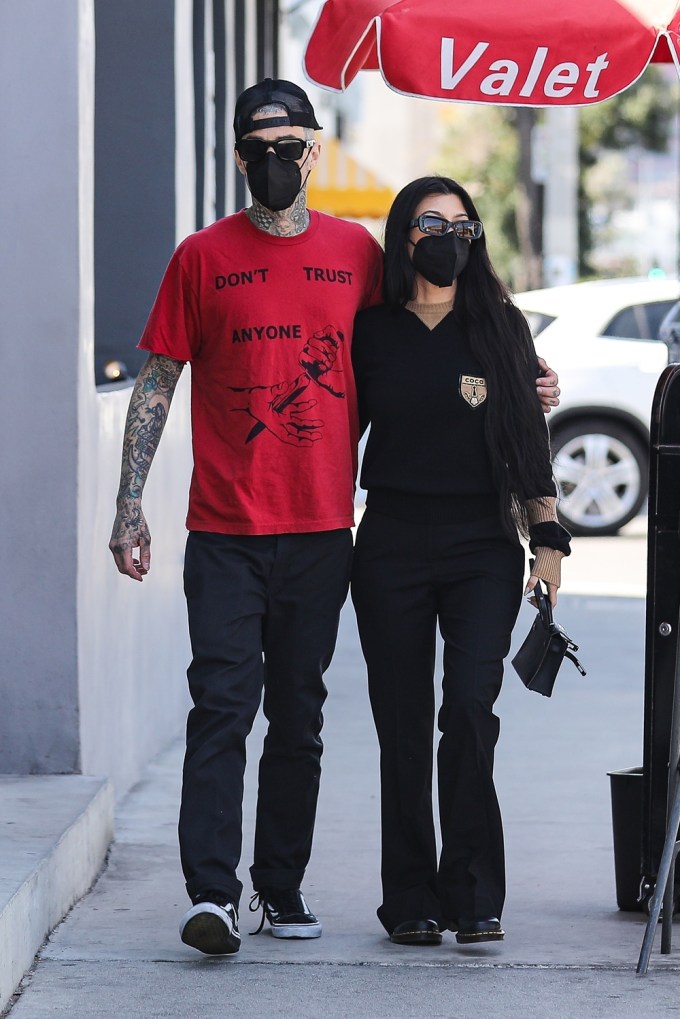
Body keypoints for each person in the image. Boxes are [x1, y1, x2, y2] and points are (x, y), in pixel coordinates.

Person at [109, 79, 560, 957]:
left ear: (315, 151)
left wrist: (529, 383)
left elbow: (450, 349)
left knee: (301, 715)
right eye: (260, 148)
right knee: (223, 704)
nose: (278, 161)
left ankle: (280, 886)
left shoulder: (357, 256)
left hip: (323, 530)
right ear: (240, 157)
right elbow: (159, 378)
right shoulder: (201, 256)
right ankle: (212, 891)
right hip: (228, 529)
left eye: (293, 145)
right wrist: (129, 503)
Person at [350, 175, 571, 949]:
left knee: (470, 714)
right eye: (430, 222)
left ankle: (474, 891)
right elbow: (333, 431)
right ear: (403, 235)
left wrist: (548, 540)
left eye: (461, 224)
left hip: (482, 546)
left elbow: (525, 437)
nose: (447, 235)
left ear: (476, 237)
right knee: (404, 724)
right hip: (391, 546)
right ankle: (410, 897)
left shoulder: (501, 326)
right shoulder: (370, 329)